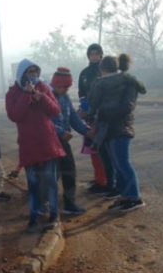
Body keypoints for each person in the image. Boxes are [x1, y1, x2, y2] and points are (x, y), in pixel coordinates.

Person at [5, 59, 65, 233]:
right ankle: (33, 217)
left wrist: (42, 98)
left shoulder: (44, 88)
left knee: (50, 182)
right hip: (28, 145)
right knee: (33, 184)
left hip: (47, 143)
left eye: (35, 72)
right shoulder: (13, 93)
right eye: (29, 72)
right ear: (21, 74)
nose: (32, 76)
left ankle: (54, 215)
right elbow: (15, 115)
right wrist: (26, 95)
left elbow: (55, 110)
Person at [89, 54, 147, 213]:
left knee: (123, 164)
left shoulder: (124, 83)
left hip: (119, 129)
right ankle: (125, 196)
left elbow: (126, 108)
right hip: (112, 129)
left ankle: (134, 197)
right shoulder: (126, 81)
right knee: (118, 165)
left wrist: (102, 114)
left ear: (102, 69)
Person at [49, 67, 91, 215]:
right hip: (49, 142)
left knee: (69, 172)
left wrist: (86, 131)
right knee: (52, 175)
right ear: (55, 84)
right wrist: (60, 132)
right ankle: (48, 206)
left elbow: (73, 116)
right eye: (63, 87)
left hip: (63, 141)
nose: (65, 90)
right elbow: (44, 121)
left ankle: (69, 203)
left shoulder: (65, 97)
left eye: (67, 87)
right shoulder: (45, 97)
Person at [78, 43, 113, 195]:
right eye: (91, 54)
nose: (94, 56)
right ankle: (99, 179)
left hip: (103, 116)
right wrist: (84, 106)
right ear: (88, 56)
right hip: (90, 116)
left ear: (101, 55)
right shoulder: (84, 73)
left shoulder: (105, 72)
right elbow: (81, 92)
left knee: (105, 150)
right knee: (93, 149)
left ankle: (107, 181)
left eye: (97, 53)